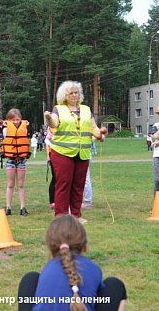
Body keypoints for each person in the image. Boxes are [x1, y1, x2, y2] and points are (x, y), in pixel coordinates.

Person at [17, 215, 127, 311]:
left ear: (51, 246)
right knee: (115, 285)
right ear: (84, 246)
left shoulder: (48, 269)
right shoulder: (93, 269)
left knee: (30, 279)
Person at [44, 81, 105, 221]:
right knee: (63, 184)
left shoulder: (86, 109)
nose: (74, 95)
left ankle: (76, 215)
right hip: (62, 152)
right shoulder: (58, 109)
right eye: (71, 92)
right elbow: (54, 123)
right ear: (65, 95)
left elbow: (93, 127)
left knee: (79, 185)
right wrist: (48, 118)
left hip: (82, 153)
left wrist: (99, 134)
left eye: (76, 92)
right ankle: (61, 216)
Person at [1, 109, 30, 216]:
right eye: (13, 120)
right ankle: (8, 207)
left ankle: (23, 207)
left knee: (21, 184)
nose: (16, 122)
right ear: (8, 120)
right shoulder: (5, 130)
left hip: (22, 160)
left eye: (18, 119)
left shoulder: (24, 129)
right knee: (10, 184)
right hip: (10, 160)